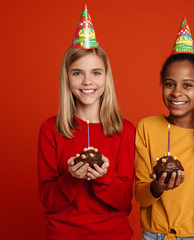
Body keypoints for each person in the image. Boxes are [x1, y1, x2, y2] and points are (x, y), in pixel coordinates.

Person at [38, 5, 135, 240]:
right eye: (77, 73)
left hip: (113, 235)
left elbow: (124, 202)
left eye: (96, 73)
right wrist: (71, 177)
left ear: (106, 77)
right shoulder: (50, 130)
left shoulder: (125, 130)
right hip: (64, 234)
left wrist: (103, 176)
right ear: (67, 77)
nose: (87, 81)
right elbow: (49, 201)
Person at [134, 17, 194, 240]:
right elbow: (141, 197)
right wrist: (157, 188)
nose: (177, 92)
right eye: (170, 83)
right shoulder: (147, 127)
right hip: (155, 235)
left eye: (187, 85)